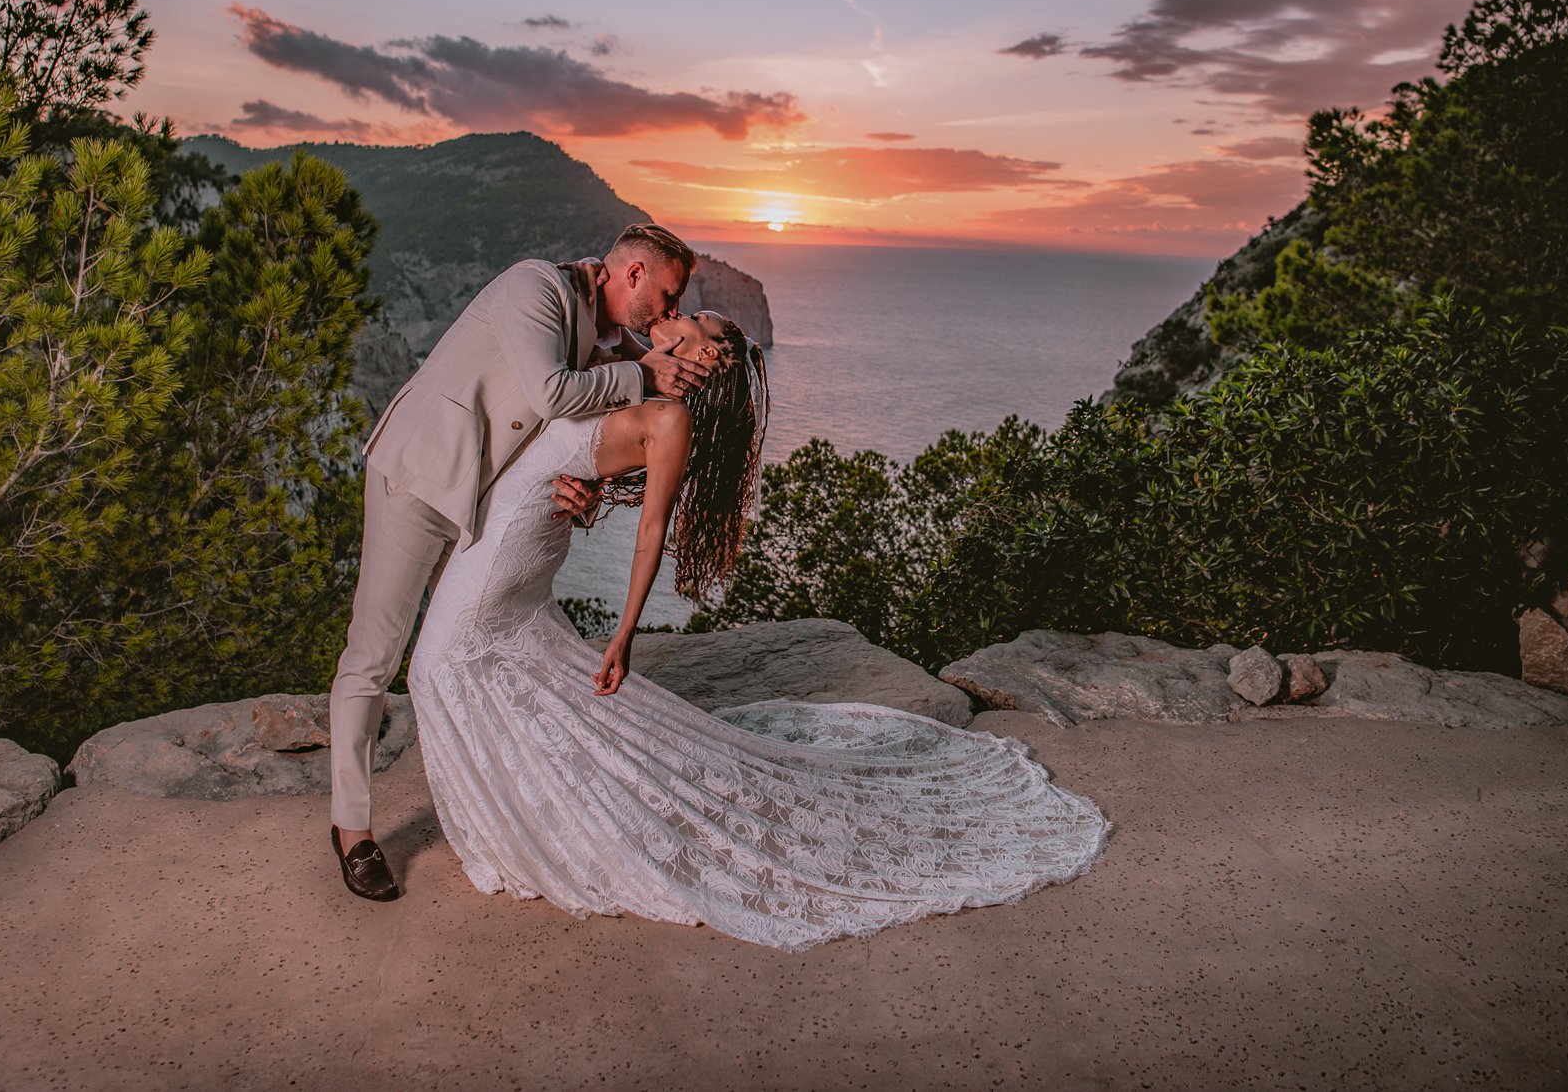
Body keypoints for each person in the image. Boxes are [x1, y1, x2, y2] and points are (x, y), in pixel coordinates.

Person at [402, 310, 1112, 952]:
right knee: (472, 672)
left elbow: (652, 530)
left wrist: (623, 635)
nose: (673, 314)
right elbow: (555, 423)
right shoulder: (628, 375)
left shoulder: (668, 419)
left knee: (438, 667)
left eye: (694, 317)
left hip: (505, 560)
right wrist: (586, 495)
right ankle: (520, 803)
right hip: (515, 544)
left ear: (708, 355)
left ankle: (523, 817)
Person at [328, 223, 714, 901]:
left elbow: (566, 438)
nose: (670, 311)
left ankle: (490, 799)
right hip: (421, 476)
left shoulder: (606, 340)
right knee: (374, 654)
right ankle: (352, 830)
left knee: (470, 644)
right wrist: (643, 374)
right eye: (668, 294)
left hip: (483, 499)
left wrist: (584, 492)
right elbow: (550, 394)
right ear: (633, 274)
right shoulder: (535, 286)